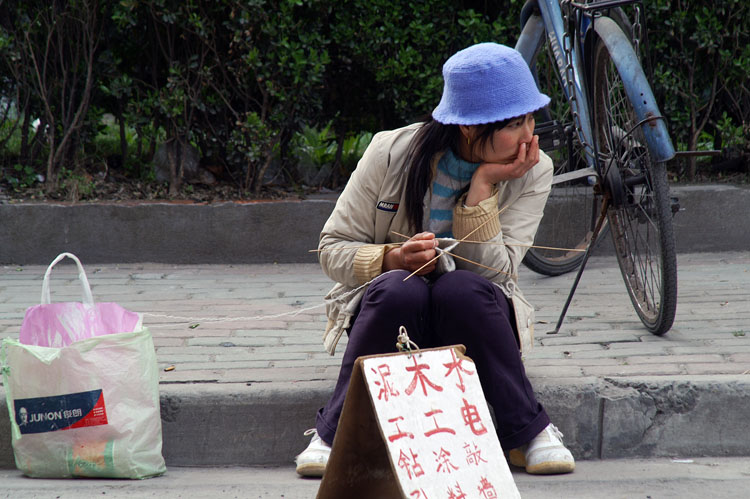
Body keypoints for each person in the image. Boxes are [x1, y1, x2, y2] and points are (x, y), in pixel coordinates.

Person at [295, 42, 575, 477]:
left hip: (474, 318)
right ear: (468, 128)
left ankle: (527, 432)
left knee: (461, 288)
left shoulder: (534, 170)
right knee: (396, 289)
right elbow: (332, 247)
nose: (528, 136)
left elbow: (498, 273)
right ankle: (332, 433)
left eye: (530, 118)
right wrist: (390, 259)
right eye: (514, 124)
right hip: (392, 318)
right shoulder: (390, 152)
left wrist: (482, 187)